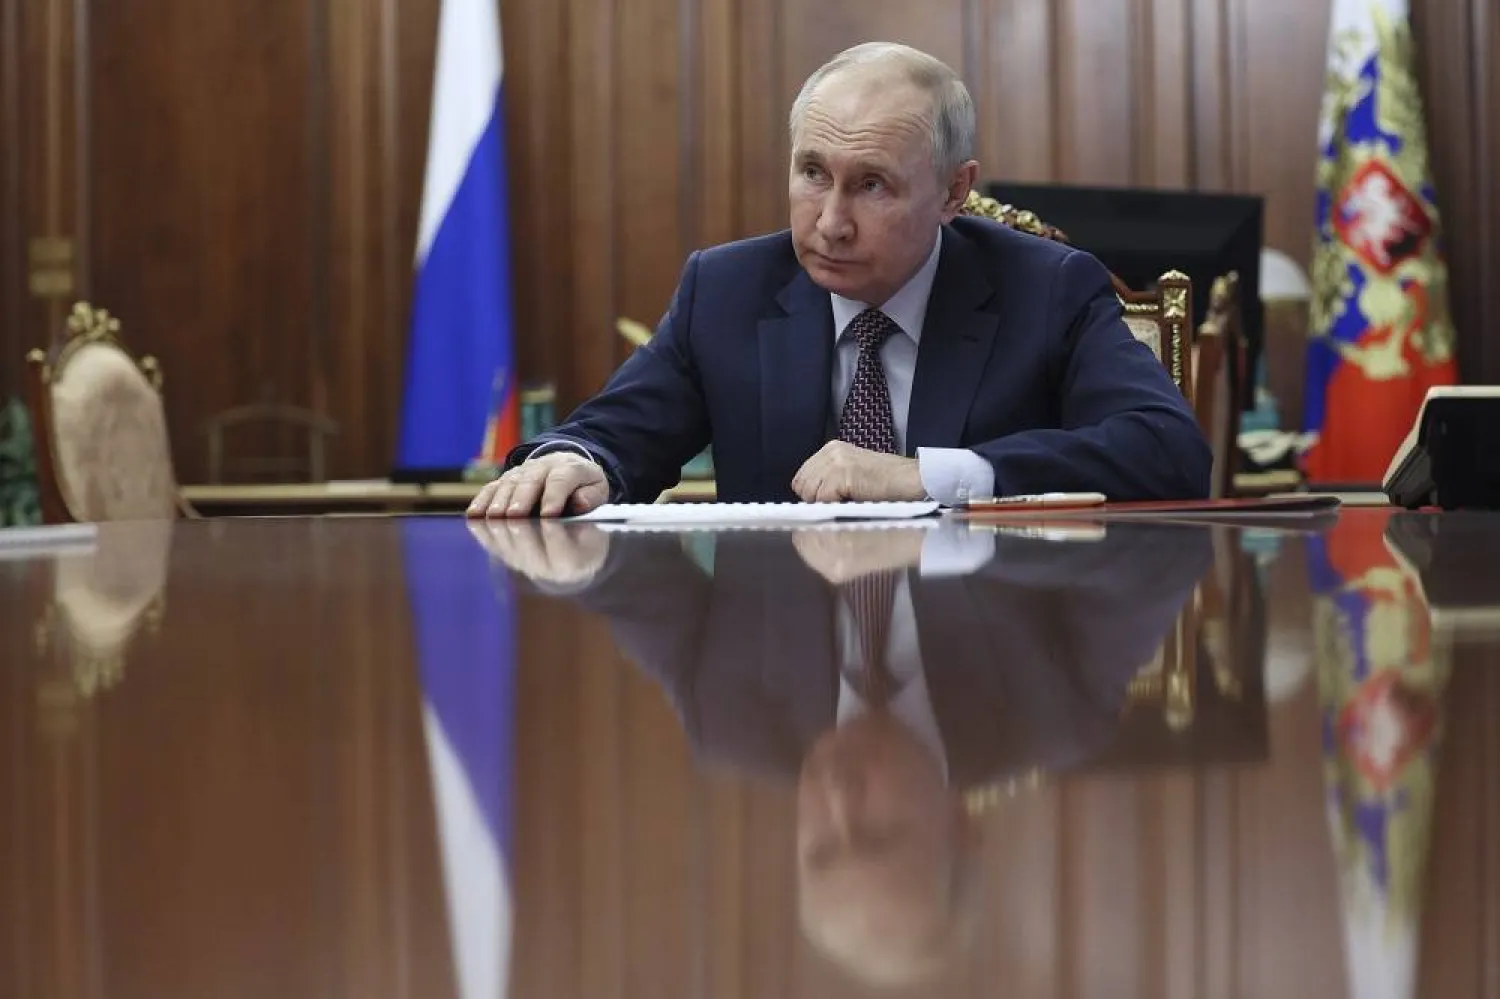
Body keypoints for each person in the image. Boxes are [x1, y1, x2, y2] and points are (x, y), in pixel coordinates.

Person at [469, 42, 1211, 519]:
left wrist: (930, 477)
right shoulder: (727, 291)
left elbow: (1168, 450)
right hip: (788, 679)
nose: (829, 222)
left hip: (984, 672)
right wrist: (576, 461)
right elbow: (613, 434)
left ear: (955, 193)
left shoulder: (1046, 290)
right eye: (812, 173)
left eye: (873, 186)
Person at [470, 517, 1215, 984]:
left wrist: (560, 528)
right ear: (961, 823)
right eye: (877, 833)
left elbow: (615, 579)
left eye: (821, 848)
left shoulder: (727, 715)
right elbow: (1153, 544)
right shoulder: (1058, 707)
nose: (836, 802)